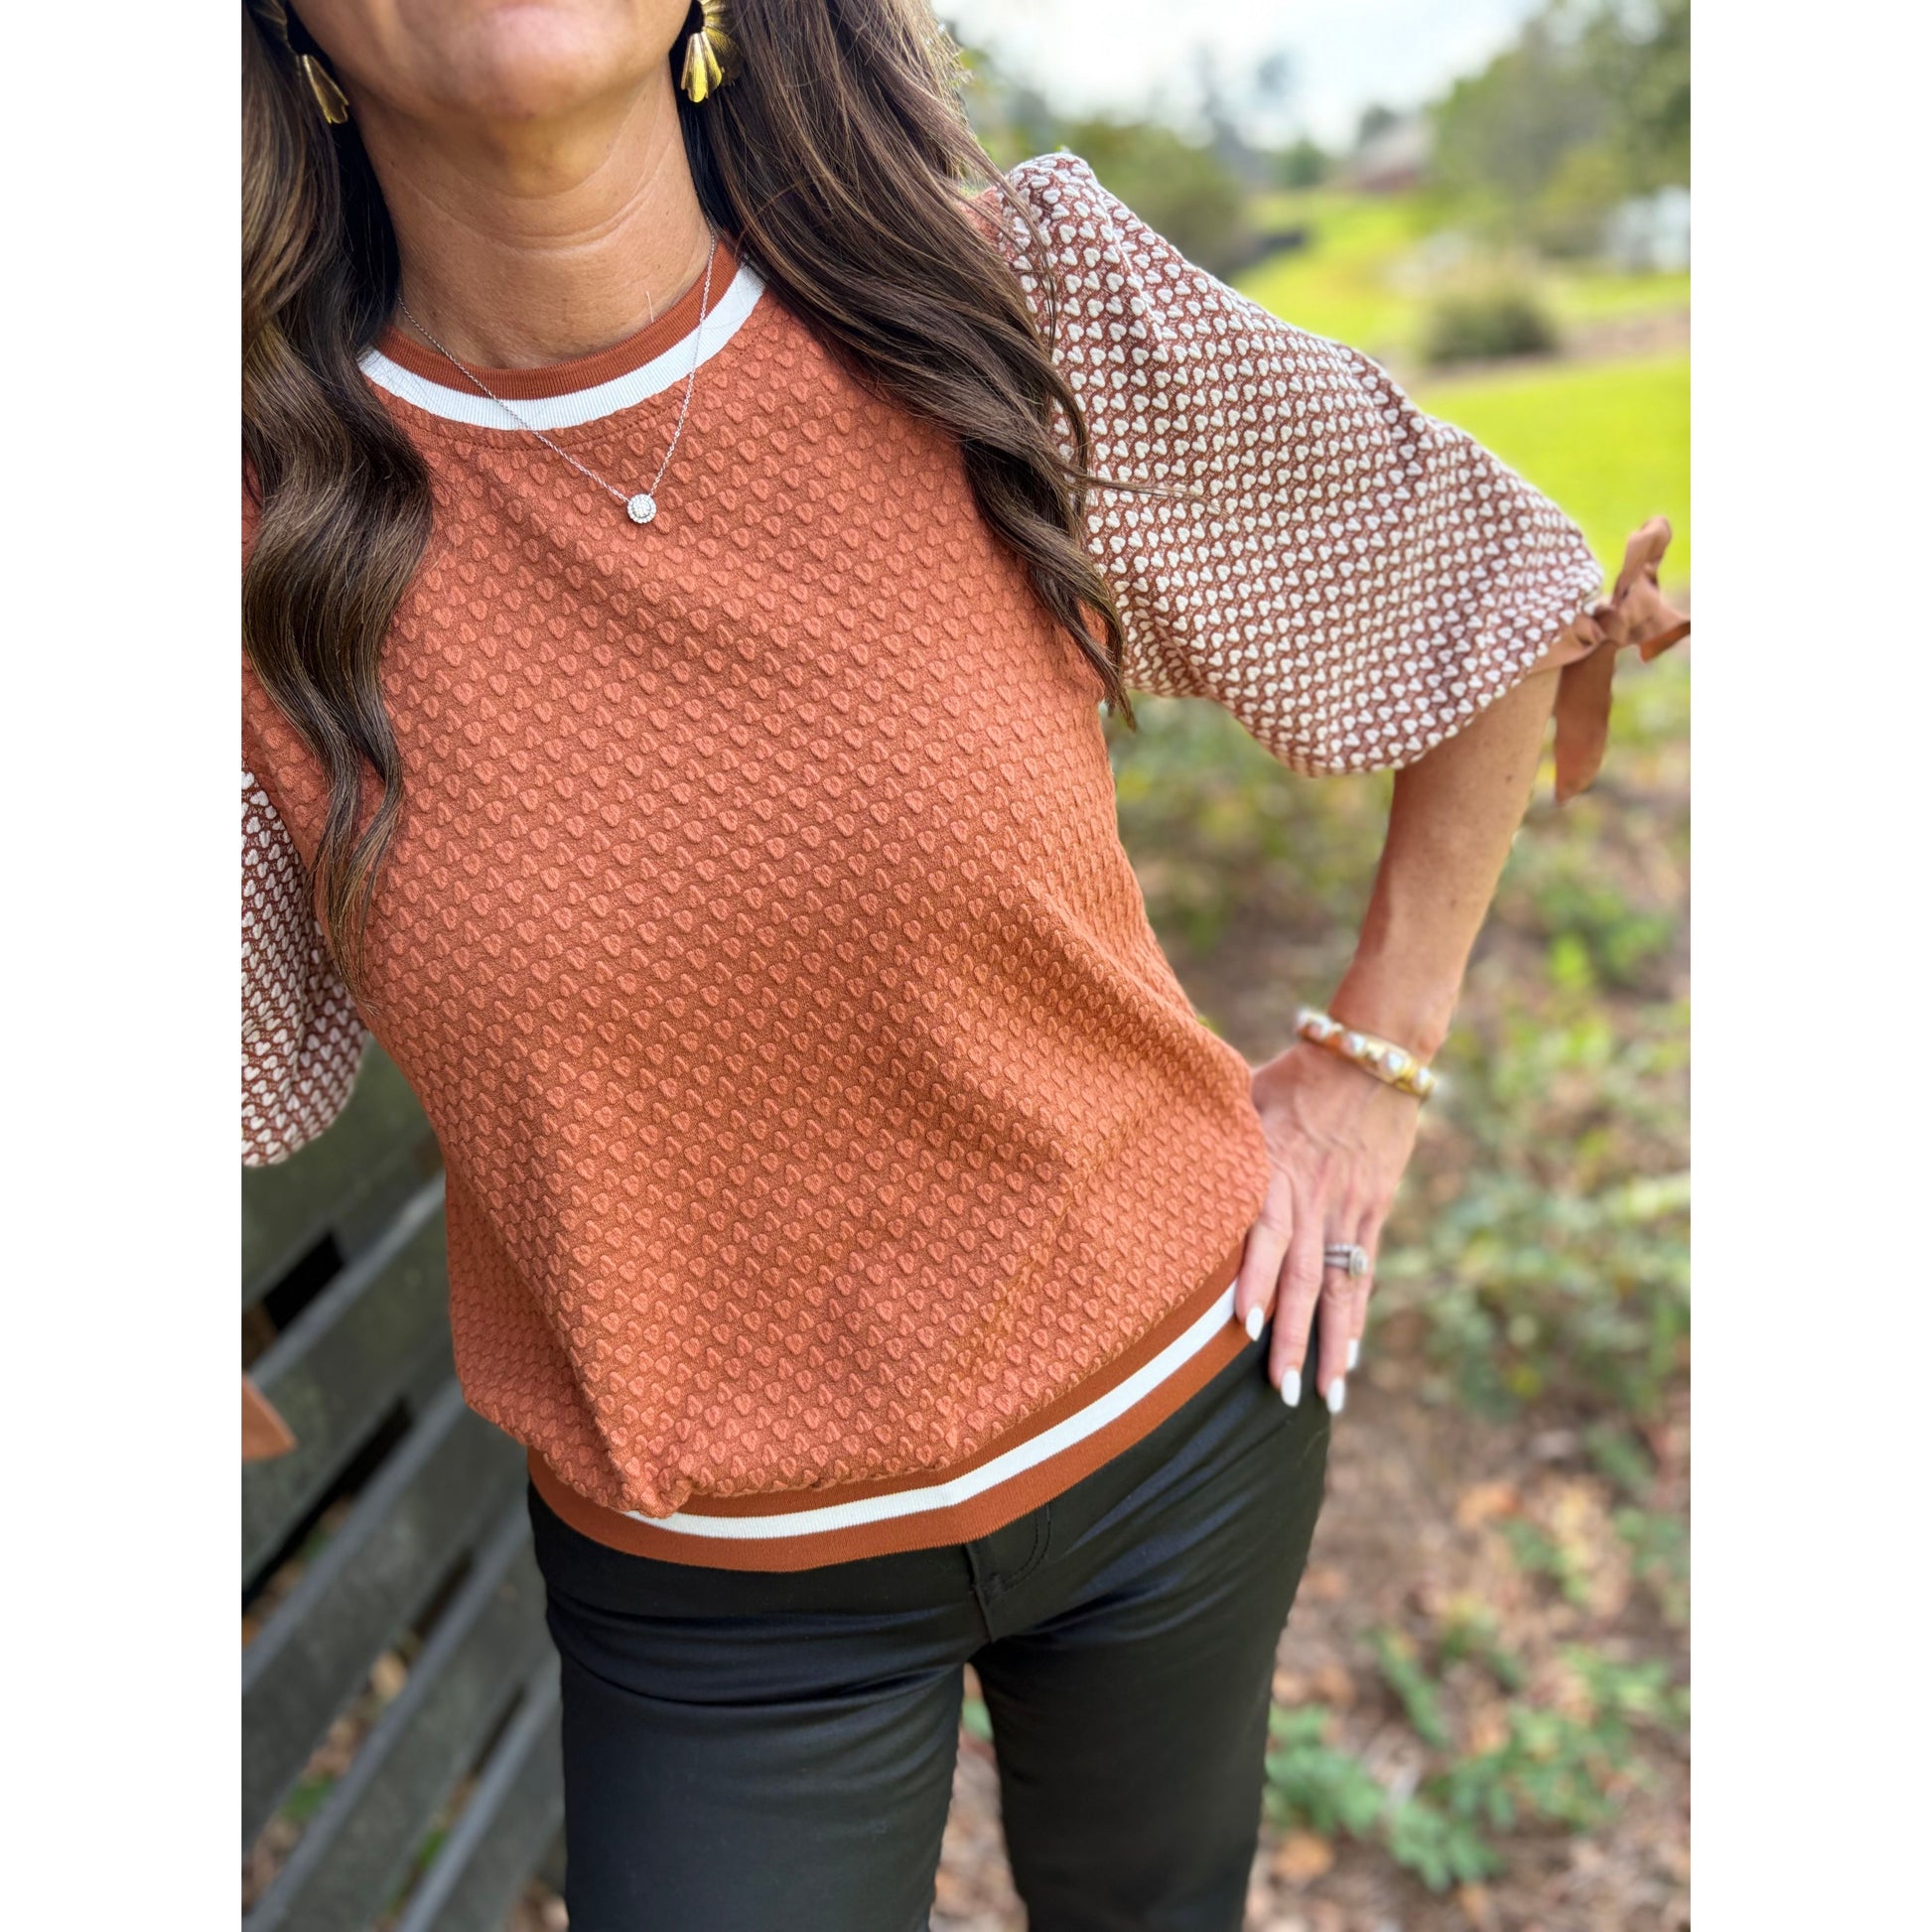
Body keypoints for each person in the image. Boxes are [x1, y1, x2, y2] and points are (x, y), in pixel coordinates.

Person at [239, 2, 1687, 1926]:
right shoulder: (233, 539)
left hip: (1182, 1422)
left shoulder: (1003, 302)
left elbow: (1484, 582)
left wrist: (1372, 1066)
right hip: (711, 1590)